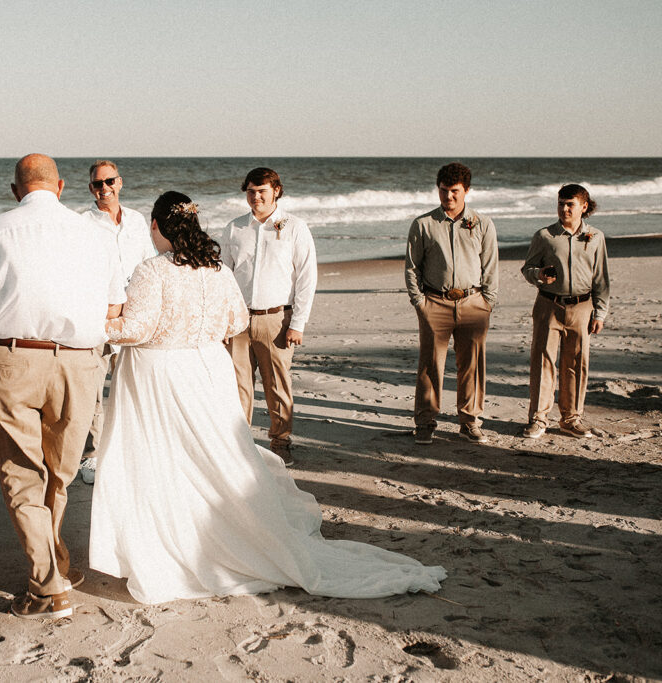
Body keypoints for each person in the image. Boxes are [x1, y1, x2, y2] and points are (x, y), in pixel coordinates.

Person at [89, 192, 446, 605]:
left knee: (164, 459)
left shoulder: (151, 270)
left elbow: (136, 330)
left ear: (156, 227)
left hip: (162, 378)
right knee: (213, 456)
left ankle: (175, 546)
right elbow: (238, 320)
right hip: (206, 371)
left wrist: (96, 321)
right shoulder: (216, 269)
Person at [0, 153, 125, 620]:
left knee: (21, 472)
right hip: (79, 365)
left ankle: (48, 587)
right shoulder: (98, 234)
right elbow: (113, 312)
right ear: (63, 187)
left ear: (15, 191)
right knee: (58, 472)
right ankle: (56, 563)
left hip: (10, 361)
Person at [218, 168, 317, 464]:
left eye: (261, 190)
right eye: (250, 191)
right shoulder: (235, 228)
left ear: (276, 191)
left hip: (276, 320)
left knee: (277, 384)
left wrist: (297, 324)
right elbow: (223, 275)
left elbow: (306, 278)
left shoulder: (294, 227)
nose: (255, 196)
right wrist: (222, 320)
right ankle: (240, 443)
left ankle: (281, 441)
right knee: (237, 385)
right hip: (238, 321)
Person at [405, 162, 499, 445]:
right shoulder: (423, 224)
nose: (448, 197)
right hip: (435, 302)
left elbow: (491, 265)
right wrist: (419, 302)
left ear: (466, 190)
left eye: (455, 191)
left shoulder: (482, 223)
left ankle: (470, 421)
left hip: (473, 303)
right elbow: (412, 267)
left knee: (471, 365)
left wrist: (488, 301)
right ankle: (425, 422)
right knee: (430, 366)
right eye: (444, 191)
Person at [78, 160, 157, 484]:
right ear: (90, 188)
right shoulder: (82, 223)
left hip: (134, 314)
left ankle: (129, 451)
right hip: (98, 315)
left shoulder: (137, 221)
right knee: (93, 389)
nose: (104, 188)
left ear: (120, 183)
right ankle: (90, 455)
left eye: (109, 181)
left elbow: (149, 263)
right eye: (97, 184)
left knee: (132, 384)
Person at [520, 185, 610, 439]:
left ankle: (571, 419)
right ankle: (538, 419)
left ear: (584, 206)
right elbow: (527, 268)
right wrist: (538, 275)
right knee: (543, 362)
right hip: (549, 305)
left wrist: (600, 313)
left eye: (570, 204)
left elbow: (601, 279)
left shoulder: (596, 237)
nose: (564, 209)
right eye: (560, 203)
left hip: (583, 307)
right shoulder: (545, 236)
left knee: (576, 364)